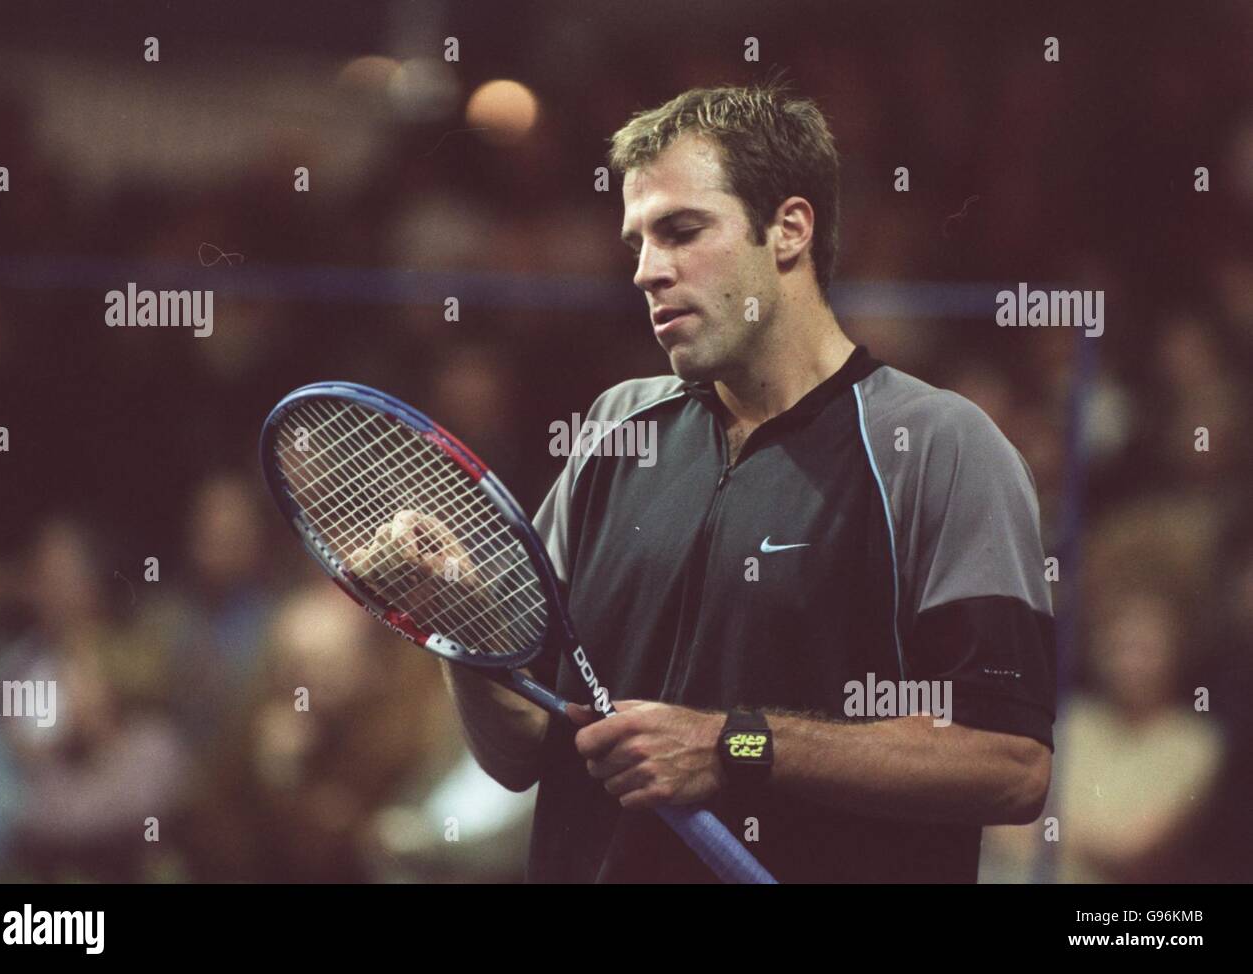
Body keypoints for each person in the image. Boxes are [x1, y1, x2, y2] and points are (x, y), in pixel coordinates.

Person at [438, 80, 1056, 882]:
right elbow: (525, 747)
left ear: (789, 229)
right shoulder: (614, 431)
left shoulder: (940, 448)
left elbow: (1010, 766)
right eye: (638, 243)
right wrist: (454, 628)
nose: (648, 272)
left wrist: (735, 746)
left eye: (682, 231)